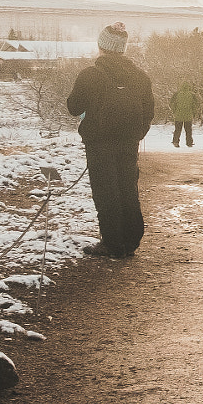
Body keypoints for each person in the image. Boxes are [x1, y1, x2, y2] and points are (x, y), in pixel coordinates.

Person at [64, 23, 155, 258]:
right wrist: (138, 132)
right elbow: (149, 111)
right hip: (129, 142)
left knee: (106, 191)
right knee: (127, 188)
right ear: (123, 48)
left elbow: (74, 107)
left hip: (99, 142)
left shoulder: (90, 75)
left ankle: (113, 244)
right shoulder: (140, 77)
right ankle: (131, 241)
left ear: (101, 46)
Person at [168, 81, 197, 147]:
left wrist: (174, 111)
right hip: (188, 115)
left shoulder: (177, 94)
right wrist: (194, 113)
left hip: (178, 116)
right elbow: (195, 105)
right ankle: (189, 143)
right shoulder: (192, 95)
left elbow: (171, 103)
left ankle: (176, 142)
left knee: (177, 130)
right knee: (188, 130)